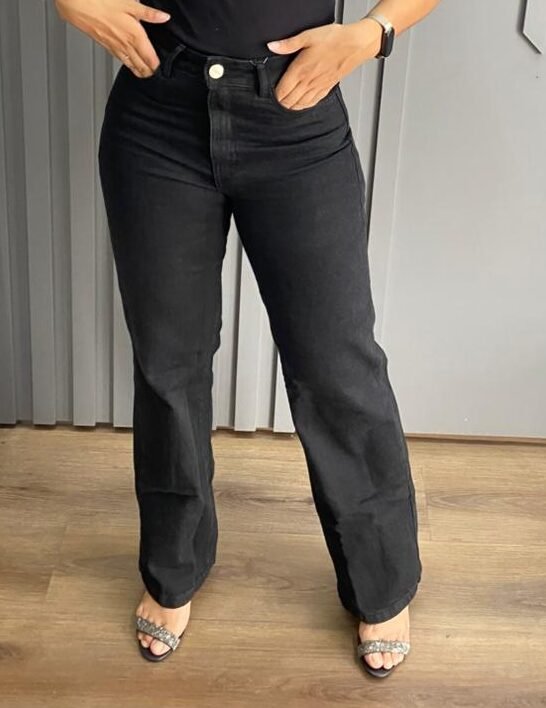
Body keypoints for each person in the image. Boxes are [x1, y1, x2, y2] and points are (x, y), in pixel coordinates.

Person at [56, 0, 440, 678]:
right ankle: (174, 566)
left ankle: (380, 580)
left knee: (337, 366)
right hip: (157, 115)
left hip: (296, 114)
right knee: (169, 364)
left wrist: (371, 34)